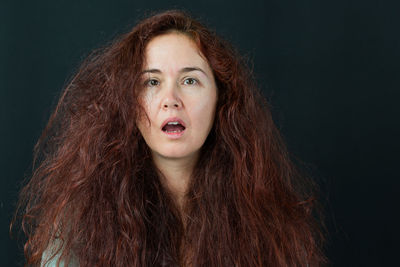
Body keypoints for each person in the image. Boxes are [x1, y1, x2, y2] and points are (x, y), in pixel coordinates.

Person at [14, 9, 326, 267]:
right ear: (128, 104)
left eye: (190, 80)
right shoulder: (81, 222)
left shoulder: (264, 218)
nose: (170, 99)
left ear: (222, 99)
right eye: (151, 82)